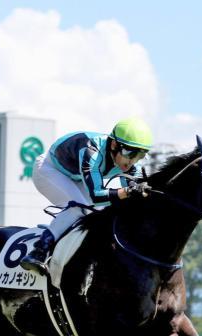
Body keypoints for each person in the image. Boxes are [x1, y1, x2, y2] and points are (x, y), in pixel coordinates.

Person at [20, 117, 153, 274]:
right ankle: (39, 251)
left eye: (140, 155)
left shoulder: (130, 164)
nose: (132, 161)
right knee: (78, 208)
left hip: (76, 177)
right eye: (130, 153)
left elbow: (133, 200)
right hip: (49, 169)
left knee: (98, 215)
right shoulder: (92, 151)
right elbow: (97, 196)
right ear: (114, 144)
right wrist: (128, 192)